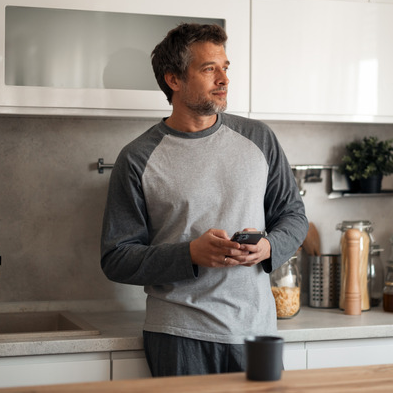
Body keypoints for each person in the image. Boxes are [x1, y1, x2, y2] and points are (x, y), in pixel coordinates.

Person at [100, 23, 308, 377]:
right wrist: (190, 254)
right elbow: (116, 257)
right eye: (209, 69)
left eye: (225, 68)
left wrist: (269, 247)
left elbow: (294, 215)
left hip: (256, 332)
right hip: (179, 335)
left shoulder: (259, 138)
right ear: (174, 80)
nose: (224, 79)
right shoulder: (137, 158)